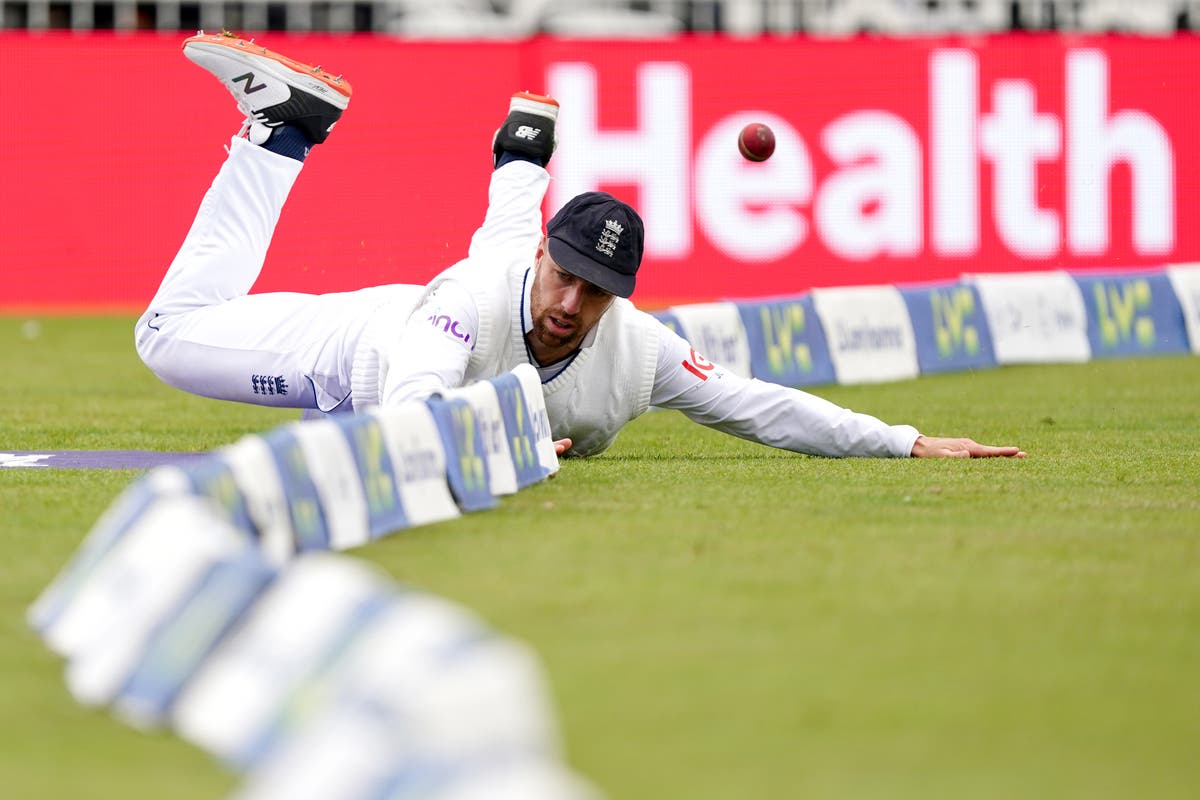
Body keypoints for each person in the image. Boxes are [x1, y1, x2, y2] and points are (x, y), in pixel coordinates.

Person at [136, 33, 1026, 461]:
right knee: (166, 336)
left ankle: (308, 127)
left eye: (597, 292)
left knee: (508, 211)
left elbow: (758, 406)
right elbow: (412, 411)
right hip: (352, 354)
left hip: (413, 342)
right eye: (565, 277)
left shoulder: (635, 348)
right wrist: (510, 437)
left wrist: (904, 441)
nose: (571, 307)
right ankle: (279, 133)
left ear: (621, 293)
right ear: (546, 261)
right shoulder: (476, 297)